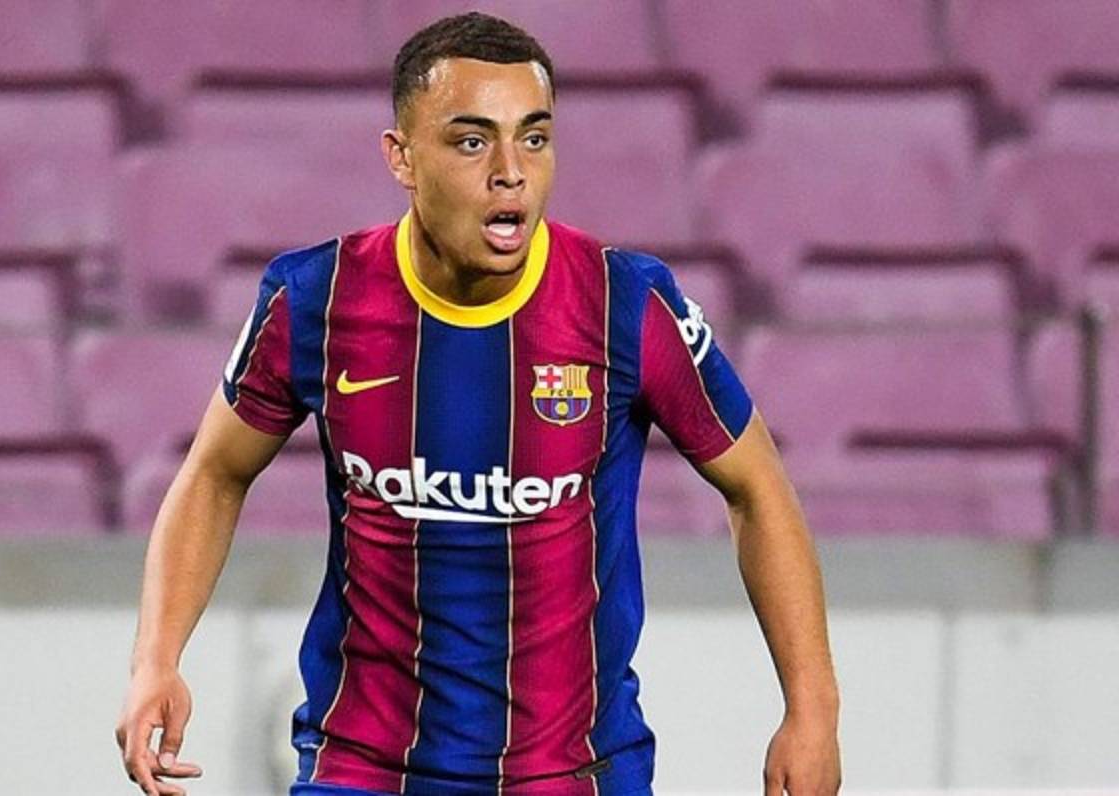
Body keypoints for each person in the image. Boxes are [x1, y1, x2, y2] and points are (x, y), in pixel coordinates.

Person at [116, 11, 841, 796]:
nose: (511, 172)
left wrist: (813, 711)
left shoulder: (626, 304)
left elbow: (757, 486)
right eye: (472, 142)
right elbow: (215, 473)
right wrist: (155, 660)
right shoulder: (314, 298)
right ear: (401, 156)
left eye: (534, 137)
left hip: (574, 774)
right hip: (363, 768)